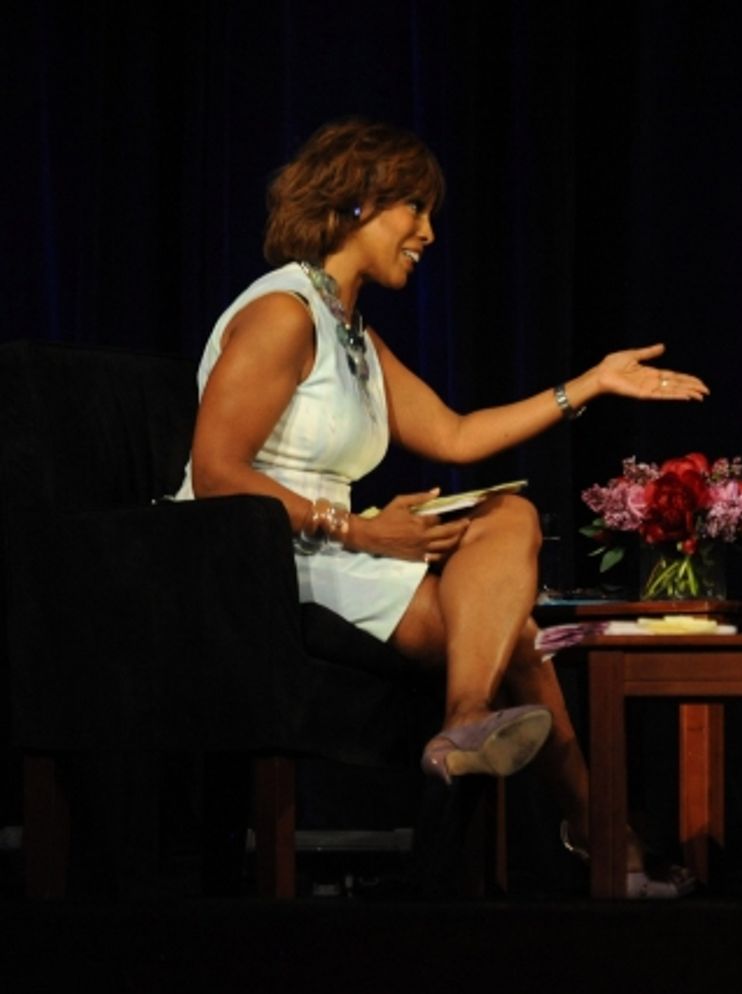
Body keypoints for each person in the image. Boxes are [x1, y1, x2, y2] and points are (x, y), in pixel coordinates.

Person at [176, 118, 706, 896]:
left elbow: (455, 436)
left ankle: (474, 734)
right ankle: (598, 837)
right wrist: (359, 528)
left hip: (333, 545)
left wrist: (587, 385)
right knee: (514, 638)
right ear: (356, 206)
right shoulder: (282, 314)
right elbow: (215, 471)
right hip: (251, 557)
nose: (426, 233)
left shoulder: (347, 325)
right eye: (412, 211)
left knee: (510, 516)